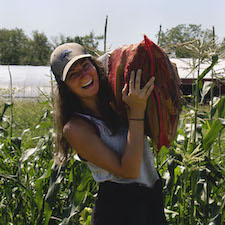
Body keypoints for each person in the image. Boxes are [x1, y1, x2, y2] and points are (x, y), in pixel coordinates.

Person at [50, 42, 167, 225]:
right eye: (73, 74)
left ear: (94, 65)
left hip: (152, 199)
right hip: (118, 209)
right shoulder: (75, 128)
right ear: (65, 87)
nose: (83, 75)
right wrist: (136, 112)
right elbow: (129, 171)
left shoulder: (118, 100)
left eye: (85, 66)